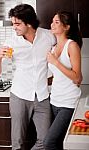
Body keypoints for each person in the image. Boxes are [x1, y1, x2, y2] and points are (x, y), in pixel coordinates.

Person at [0, 4, 56, 150]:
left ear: (29, 22)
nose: (14, 27)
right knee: (17, 143)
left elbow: (62, 52)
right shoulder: (12, 42)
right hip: (20, 96)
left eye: (17, 23)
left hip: (42, 96)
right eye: (13, 23)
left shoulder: (48, 36)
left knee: (45, 142)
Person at [43, 11, 83, 150]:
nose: (52, 24)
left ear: (66, 27)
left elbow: (77, 77)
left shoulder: (72, 46)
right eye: (52, 21)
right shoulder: (53, 47)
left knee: (49, 142)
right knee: (59, 142)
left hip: (69, 103)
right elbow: (57, 76)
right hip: (54, 101)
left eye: (57, 22)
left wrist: (55, 62)